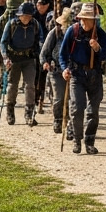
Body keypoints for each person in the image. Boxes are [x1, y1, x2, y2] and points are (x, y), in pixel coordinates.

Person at [58, 3, 106, 154]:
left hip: (95, 75)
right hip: (77, 74)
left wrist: (97, 48)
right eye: (83, 19)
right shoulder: (72, 31)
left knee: (93, 111)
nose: (85, 22)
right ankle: (76, 140)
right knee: (77, 108)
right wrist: (64, 69)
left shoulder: (100, 34)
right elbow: (63, 54)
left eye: (89, 19)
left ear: (94, 21)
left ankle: (89, 141)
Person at [0, 1, 44, 127]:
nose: (25, 18)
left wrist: (40, 53)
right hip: (14, 59)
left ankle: (29, 114)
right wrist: (5, 57)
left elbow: (40, 40)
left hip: (29, 58)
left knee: (30, 85)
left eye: (27, 16)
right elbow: (3, 42)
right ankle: (10, 112)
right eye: (23, 15)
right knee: (13, 85)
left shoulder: (35, 25)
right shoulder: (11, 24)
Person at [40, 7, 72, 136]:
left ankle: (70, 124)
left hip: (74, 71)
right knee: (59, 98)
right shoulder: (55, 33)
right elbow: (44, 53)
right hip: (57, 70)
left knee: (72, 99)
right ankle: (58, 119)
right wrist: (45, 63)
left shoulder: (79, 34)